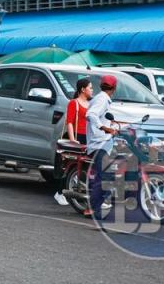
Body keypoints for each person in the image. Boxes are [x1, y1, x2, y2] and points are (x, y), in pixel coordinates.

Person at [54, 78, 92, 207]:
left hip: (88, 137)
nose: (92, 90)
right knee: (69, 165)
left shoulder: (91, 104)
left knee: (86, 166)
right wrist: (72, 139)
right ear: (83, 89)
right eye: (90, 88)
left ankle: (86, 193)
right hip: (77, 137)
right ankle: (59, 193)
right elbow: (69, 122)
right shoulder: (73, 103)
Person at [85, 74, 119, 219]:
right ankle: (92, 208)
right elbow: (91, 114)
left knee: (109, 175)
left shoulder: (102, 99)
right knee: (105, 176)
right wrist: (104, 128)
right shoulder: (102, 99)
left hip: (104, 143)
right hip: (99, 144)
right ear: (115, 88)